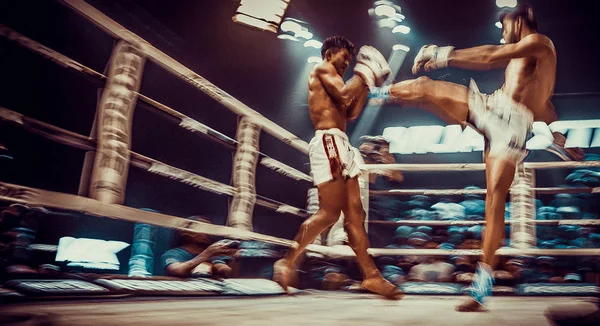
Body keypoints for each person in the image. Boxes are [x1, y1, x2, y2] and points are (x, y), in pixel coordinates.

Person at [367, 4, 583, 310]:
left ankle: (481, 286)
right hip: (494, 107)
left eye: (506, 25)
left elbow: (491, 56)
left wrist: (443, 54)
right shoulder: (529, 60)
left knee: (494, 205)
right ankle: (372, 94)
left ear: (520, 21)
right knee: (425, 89)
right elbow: (545, 109)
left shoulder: (539, 43)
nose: (504, 31)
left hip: (511, 125)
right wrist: (560, 143)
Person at [272, 36, 403, 299]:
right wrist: (363, 72)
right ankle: (287, 261)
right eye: (343, 57)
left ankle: (371, 277)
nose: (346, 63)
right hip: (328, 140)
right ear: (330, 53)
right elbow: (344, 94)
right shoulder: (321, 68)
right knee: (330, 214)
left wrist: (365, 82)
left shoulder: (340, 79)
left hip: (342, 143)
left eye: (349, 60)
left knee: (356, 215)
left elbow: (351, 111)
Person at [162, 216, 238, 278]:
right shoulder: (174, 253)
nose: (206, 233)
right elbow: (177, 270)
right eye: (201, 228)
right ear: (184, 232)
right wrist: (207, 254)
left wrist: (236, 258)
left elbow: (226, 272)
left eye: (209, 229)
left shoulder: (214, 254)